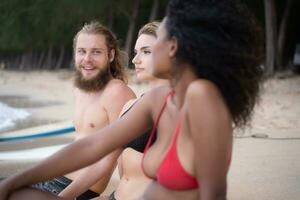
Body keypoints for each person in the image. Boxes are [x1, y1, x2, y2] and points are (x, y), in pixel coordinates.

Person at [0, 0, 264, 199]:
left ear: (173, 47)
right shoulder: (159, 99)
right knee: (17, 194)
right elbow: (92, 147)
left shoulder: (202, 97)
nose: (135, 58)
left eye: (150, 46)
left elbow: (214, 194)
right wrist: (13, 182)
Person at [32, 21, 136, 199]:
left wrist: (64, 197)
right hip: (55, 178)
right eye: (82, 51)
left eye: (96, 52)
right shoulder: (81, 90)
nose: (87, 59)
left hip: (74, 189)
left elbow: (115, 156)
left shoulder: (117, 92)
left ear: (110, 55)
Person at [108, 21, 169, 200]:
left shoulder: (177, 107)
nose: (135, 60)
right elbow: (108, 160)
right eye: (136, 52)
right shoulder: (130, 106)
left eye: (146, 51)